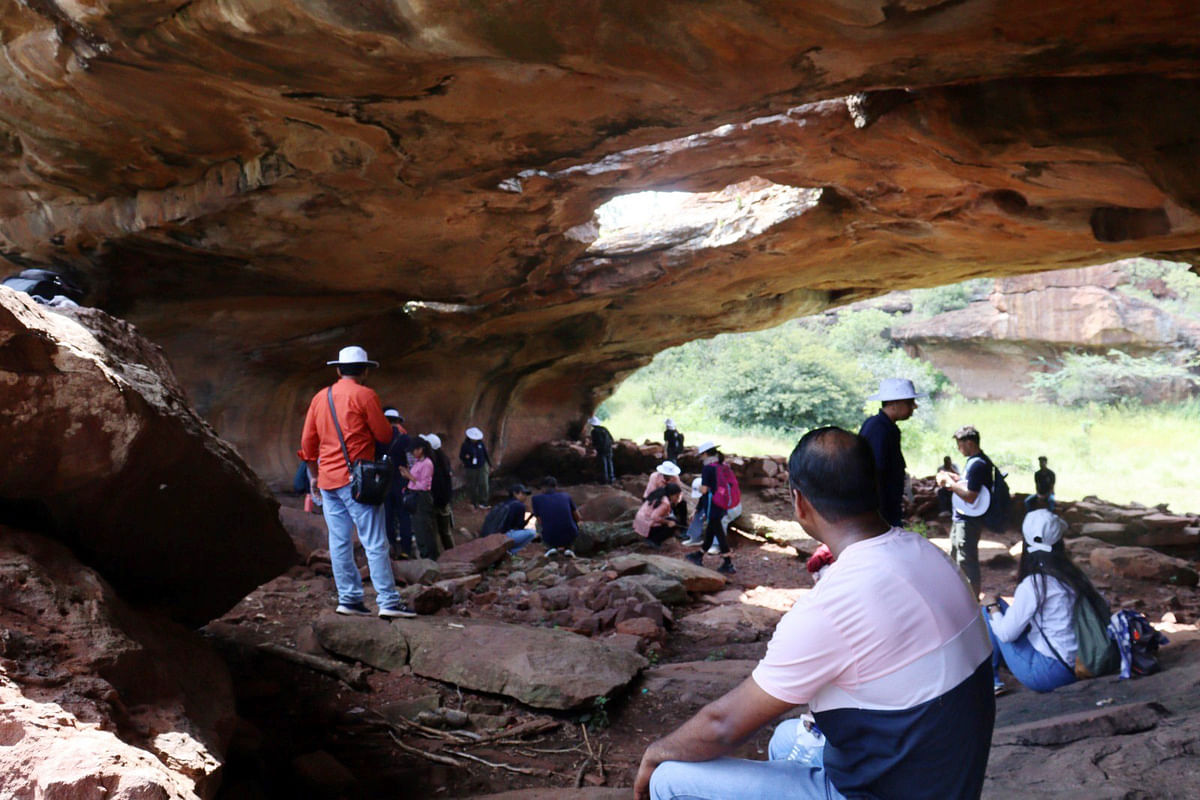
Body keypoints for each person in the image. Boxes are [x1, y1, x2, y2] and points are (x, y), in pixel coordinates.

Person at [636, 427, 995, 800]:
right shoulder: (929, 554)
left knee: (668, 777)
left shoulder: (833, 606)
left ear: (799, 502)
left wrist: (654, 754)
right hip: (945, 779)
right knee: (788, 737)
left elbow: (723, 724)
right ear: (872, 484)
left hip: (882, 791)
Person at [298, 346, 415, 619]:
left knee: (339, 542)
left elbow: (307, 443)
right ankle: (388, 601)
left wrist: (313, 474)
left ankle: (349, 599)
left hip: (327, 480)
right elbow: (385, 435)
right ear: (364, 371)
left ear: (339, 369)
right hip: (359, 482)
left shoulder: (320, 397)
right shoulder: (365, 395)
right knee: (374, 541)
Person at [985, 506, 1098, 695]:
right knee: (1001, 609)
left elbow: (1006, 634)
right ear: (1059, 541)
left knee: (988, 611)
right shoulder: (1072, 577)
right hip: (1079, 664)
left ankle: (992, 681)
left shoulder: (1035, 583)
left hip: (1049, 673)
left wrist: (991, 606)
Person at [936, 425, 994, 597]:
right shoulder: (974, 462)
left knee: (966, 561)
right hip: (962, 518)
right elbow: (970, 484)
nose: (958, 448)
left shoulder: (978, 464)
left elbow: (970, 496)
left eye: (960, 444)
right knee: (957, 557)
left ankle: (972, 600)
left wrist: (949, 484)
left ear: (969, 443)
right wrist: (956, 479)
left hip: (968, 521)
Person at [858, 378, 924, 528]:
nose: (914, 406)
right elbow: (876, 471)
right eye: (909, 402)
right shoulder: (878, 428)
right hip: (880, 507)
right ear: (894, 403)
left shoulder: (886, 427)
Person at [685, 442, 736, 575]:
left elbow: (704, 489)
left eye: (701, 455)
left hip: (712, 504)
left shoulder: (708, 468)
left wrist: (700, 487)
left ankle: (728, 562)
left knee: (718, 532)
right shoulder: (721, 465)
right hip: (721, 502)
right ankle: (699, 555)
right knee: (711, 531)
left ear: (706, 454)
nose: (701, 458)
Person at [380, 407, 413, 558]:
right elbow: (411, 460)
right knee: (403, 514)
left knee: (387, 515)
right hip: (401, 480)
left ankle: (391, 547)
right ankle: (406, 549)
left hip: (384, 480)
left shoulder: (379, 438)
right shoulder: (405, 439)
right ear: (398, 421)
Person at [399, 437, 438, 559]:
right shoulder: (418, 462)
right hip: (415, 495)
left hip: (422, 497)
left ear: (421, 449)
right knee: (417, 526)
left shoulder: (427, 464)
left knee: (424, 527)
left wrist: (409, 476)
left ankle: (429, 555)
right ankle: (424, 553)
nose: (412, 453)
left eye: (414, 450)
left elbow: (424, 485)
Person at [530, 476, 581, 557]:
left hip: (549, 536)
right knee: (573, 521)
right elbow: (578, 517)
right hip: (571, 534)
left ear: (542, 488)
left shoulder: (536, 499)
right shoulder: (566, 496)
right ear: (556, 487)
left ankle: (550, 547)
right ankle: (569, 548)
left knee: (537, 522)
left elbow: (540, 521)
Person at [487, 483, 538, 552]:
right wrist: (531, 516)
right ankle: (512, 551)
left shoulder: (502, 503)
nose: (525, 496)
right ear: (515, 493)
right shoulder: (520, 505)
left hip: (490, 537)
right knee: (532, 533)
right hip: (502, 537)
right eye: (522, 493)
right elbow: (520, 527)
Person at [426, 433, 455, 552]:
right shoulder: (444, 459)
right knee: (446, 530)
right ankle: (451, 551)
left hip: (435, 500)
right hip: (444, 500)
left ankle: (435, 554)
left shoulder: (431, 463)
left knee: (433, 530)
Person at [644, 461, 688, 530]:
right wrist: (664, 501)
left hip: (670, 499)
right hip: (656, 499)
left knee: (683, 504)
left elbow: (679, 491)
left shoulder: (675, 477)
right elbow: (651, 493)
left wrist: (677, 500)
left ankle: (683, 526)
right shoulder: (654, 477)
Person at [459, 427, 491, 508]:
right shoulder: (465, 445)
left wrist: (490, 465)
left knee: (483, 483)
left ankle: (483, 501)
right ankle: (474, 501)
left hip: (482, 466)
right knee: (472, 485)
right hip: (471, 468)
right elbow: (461, 456)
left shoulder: (481, 444)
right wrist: (466, 458)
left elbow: (485, 454)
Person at [588, 416, 616, 484]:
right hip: (609, 449)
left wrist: (593, 448)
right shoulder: (604, 429)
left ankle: (604, 480)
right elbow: (611, 439)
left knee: (603, 465)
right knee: (609, 463)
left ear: (592, 424)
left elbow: (595, 442)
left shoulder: (594, 431)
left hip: (601, 450)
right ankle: (611, 478)